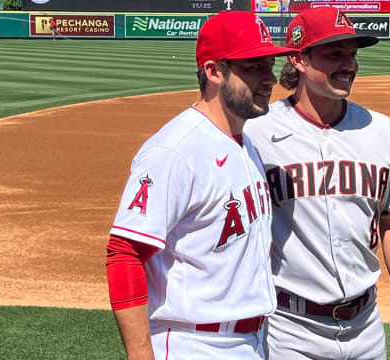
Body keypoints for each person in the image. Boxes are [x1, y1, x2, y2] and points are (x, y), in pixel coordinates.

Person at [105, 11, 297, 360]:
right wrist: (140, 354)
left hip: (251, 340)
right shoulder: (175, 150)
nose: (269, 79)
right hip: (192, 343)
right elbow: (125, 253)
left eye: (269, 65)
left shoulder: (244, 141)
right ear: (213, 71)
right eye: (253, 67)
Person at [244, 7, 390, 360]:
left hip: (367, 324)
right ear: (298, 59)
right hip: (288, 327)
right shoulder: (256, 132)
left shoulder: (380, 130)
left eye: (352, 54)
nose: (348, 64)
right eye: (334, 53)